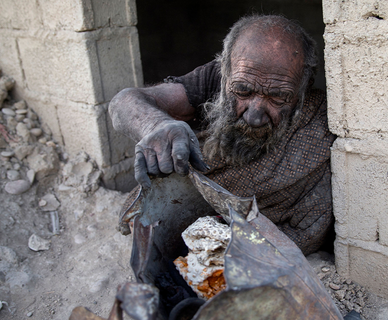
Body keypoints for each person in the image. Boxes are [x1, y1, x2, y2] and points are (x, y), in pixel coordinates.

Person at [109, 15, 336, 255]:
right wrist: (156, 124)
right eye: (242, 91)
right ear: (225, 70)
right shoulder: (213, 79)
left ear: (303, 87)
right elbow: (123, 103)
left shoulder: (317, 118)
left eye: (278, 98)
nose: (254, 116)